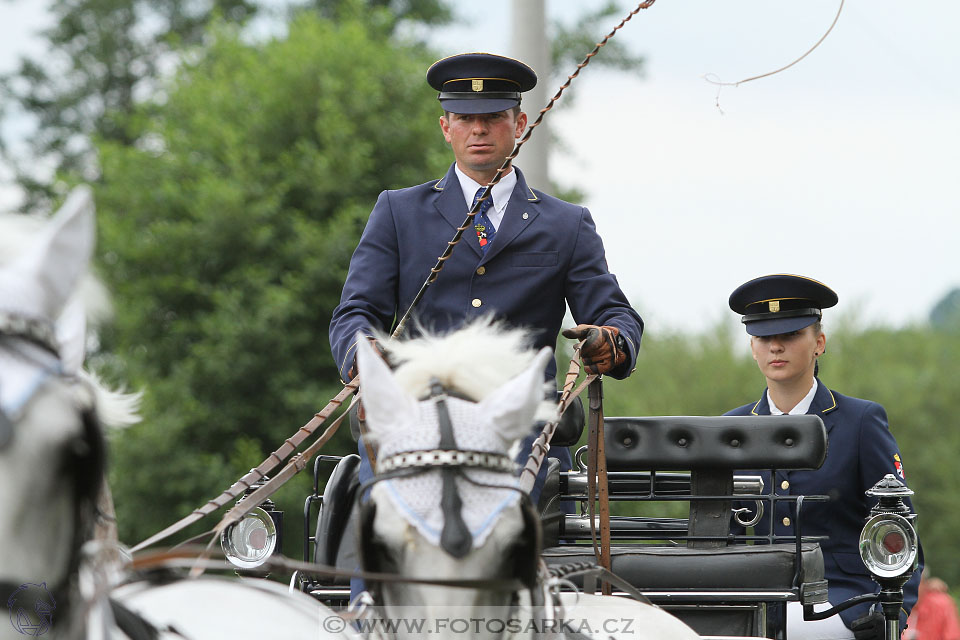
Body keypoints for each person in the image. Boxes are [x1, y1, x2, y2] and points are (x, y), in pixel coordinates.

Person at [328, 53, 643, 596]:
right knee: (383, 522)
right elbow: (355, 313)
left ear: (519, 124)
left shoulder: (566, 224)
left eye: (494, 116)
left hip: (516, 431)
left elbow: (617, 315)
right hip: (416, 423)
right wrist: (364, 357)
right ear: (444, 125)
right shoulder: (398, 212)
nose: (480, 129)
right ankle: (368, 613)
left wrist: (610, 343)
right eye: (466, 117)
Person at [725, 274, 922, 640]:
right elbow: (721, 532)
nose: (775, 347)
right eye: (764, 337)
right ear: (753, 347)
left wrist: (893, 613)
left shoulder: (860, 421)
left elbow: (899, 524)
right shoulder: (730, 429)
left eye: (790, 335)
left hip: (845, 601)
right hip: (756, 599)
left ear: (819, 342)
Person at [905, 570, 960, 640]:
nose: (908, 587)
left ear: (925, 584)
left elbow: (952, 636)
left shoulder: (941, 604)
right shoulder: (893, 604)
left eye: (914, 582)